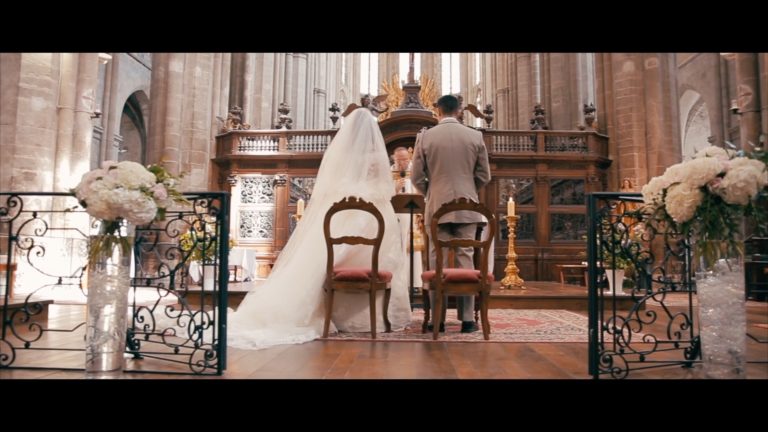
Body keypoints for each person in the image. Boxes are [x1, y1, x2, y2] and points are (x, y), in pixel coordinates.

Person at [227, 108, 411, 350]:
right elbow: (385, 189)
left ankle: (330, 312)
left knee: (324, 258)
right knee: (381, 256)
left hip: (337, 214)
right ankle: (372, 318)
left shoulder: (342, 157)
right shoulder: (377, 159)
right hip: (376, 214)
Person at [411, 94, 491, 333]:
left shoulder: (425, 137)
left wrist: (433, 191)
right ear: (459, 111)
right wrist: (468, 191)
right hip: (469, 206)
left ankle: (438, 319)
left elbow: (416, 177)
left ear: (438, 111)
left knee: (437, 259)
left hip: (436, 206)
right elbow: (484, 176)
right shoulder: (475, 135)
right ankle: (467, 320)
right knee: (466, 255)